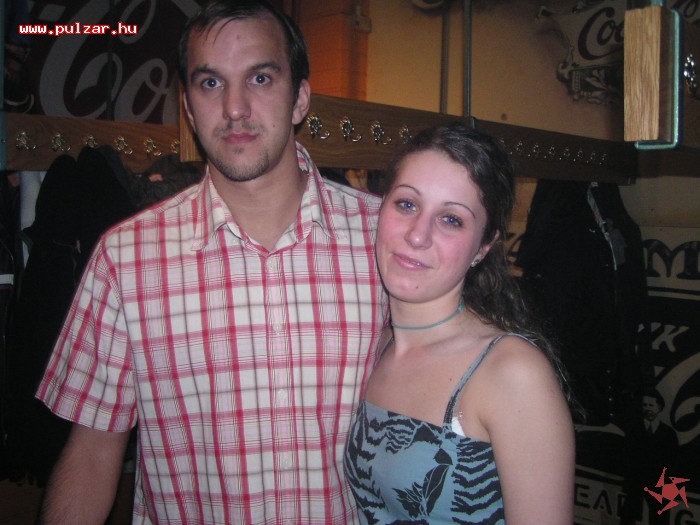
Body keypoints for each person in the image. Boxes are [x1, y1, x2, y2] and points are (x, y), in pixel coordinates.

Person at [35, 1, 386, 523]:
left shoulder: (388, 242)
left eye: (261, 78)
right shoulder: (126, 258)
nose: (235, 108)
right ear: (188, 107)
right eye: (211, 83)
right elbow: (92, 453)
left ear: (299, 99)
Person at [344, 123, 575, 524]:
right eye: (406, 204)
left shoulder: (511, 372)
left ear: (483, 247)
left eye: (451, 219)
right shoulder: (374, 346)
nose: (418, 235)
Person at [621, 388, 679, 525]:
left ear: (659, 407)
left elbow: (673, 462)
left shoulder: (668, 434)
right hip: (635, 482)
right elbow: (627, 456)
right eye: (645, 405)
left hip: (659, 485)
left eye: (651, 405)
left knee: (659, 520)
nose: (648, 408)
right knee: (627, 517)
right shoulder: (633, 429)